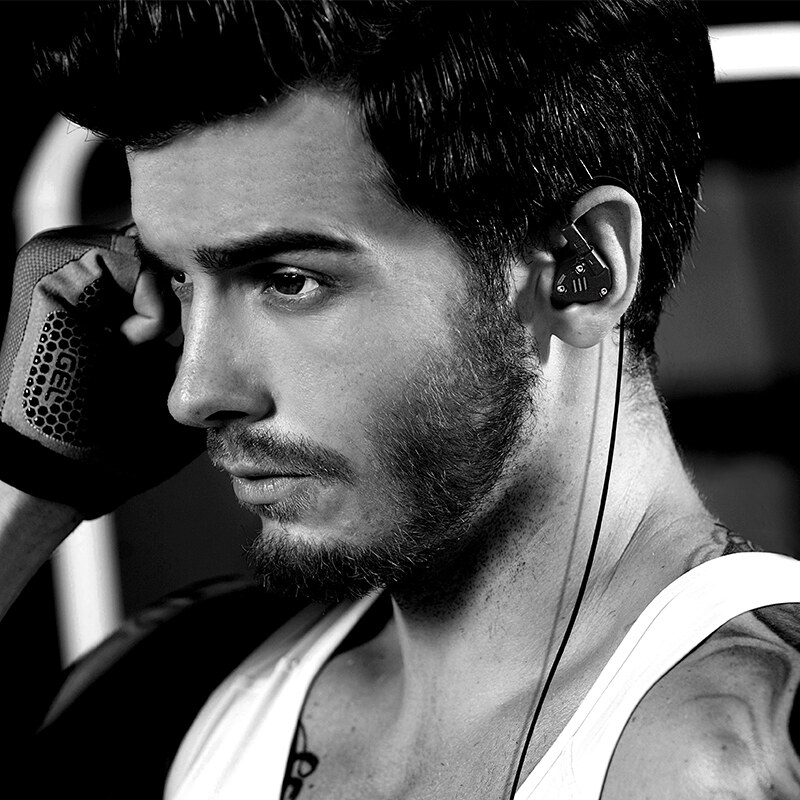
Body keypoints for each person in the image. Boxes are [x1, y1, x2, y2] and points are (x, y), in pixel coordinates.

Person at [1, 1, 798, 798]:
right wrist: (33, 479)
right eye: (178, 278)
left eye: (290, 280)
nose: (193, 391)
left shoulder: (747, 743)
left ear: (577, 270)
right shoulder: (181, 687)